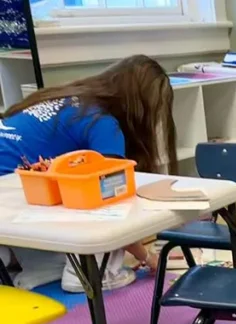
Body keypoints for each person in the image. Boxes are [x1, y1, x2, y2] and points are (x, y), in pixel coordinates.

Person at [0, 55, 177, 292]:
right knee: (104, 194)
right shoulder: (102, 121)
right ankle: (94, 274)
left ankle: (39, 267)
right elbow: (112, 195)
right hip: (11, 189)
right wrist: (147, 256)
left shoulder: (63, 98)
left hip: (13, 195)